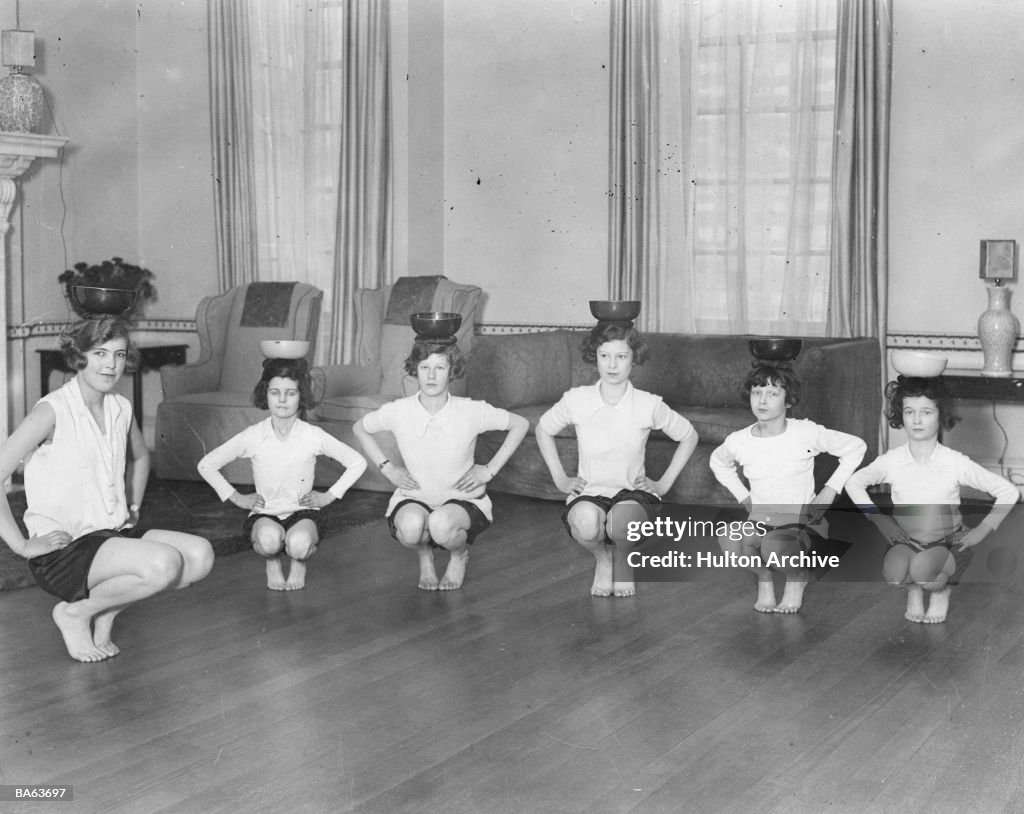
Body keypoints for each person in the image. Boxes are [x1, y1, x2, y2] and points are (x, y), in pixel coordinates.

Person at [0, 317, 214, 663]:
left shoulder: (120, 407)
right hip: (65, 551)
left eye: (118, 354)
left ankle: (107, 611)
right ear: (78, 356)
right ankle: (75, 614)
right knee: (163, 565)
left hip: (111, 535)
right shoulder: (52, 410)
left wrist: (133, 507)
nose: (110, 364)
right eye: (99, 353)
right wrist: (23, 545)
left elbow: (141, 459)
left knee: (200, 557)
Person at [536, 322, 698, 598]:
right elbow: (542, 428)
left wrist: (663, 484)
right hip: (590, 492)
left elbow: (689, 435)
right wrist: (560, 478)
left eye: (621, 356)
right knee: (586, 523)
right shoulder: (577, 399)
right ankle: (604, 559)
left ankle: (623, 559)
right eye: (604, 355)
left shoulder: (648, 403)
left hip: (633, 495)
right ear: (595, 356)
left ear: (634, 360)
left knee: (620, 520)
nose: (612, 365)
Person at [352, 339, 528, 591]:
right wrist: (387, 468)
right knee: (411, 529)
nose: (431, 376)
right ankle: (425, 557)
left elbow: (520, 424)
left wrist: (489, 469)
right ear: (415, 369)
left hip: (461, 500)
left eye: (440, 368)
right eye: (424, 368)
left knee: (440, 525)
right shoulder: (399, 410)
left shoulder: (471, 411)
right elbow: (360, 427)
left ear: (452, 371)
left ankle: (459, 556)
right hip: (415, 496)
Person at [845, 375, 1017, 623]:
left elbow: (1008, 491)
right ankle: (914, 591)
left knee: (925, 573)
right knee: (894, 575)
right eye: (909, 411)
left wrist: (982, 530)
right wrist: (878, 519)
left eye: (925, 412)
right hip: (907, 540)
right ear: (899, 415)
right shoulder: (892, 460)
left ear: (940, 414)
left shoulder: (954, 462)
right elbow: (854, 482)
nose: (916, 420)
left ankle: (941, 592)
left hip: (945, 542)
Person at [198, 357, 367, 590]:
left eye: (291, 393)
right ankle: (272, 561)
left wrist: (329, 495)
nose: (283, 400)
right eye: (275, 392)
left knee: (298, 545)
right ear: (265, 394)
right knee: (268, 542)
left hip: (303, 513)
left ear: (302, 396)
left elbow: (357, 462)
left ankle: (299, 563)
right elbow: (206, 465)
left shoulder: (312, 435)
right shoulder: (253, 435)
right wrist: (237, 497)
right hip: (265, 513)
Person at [709, 363, 866, 613]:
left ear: (788, 400)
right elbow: (718, 462)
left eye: (773, 393)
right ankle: (764, 578)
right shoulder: (739, 441)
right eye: (756, 392)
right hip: (762, 520)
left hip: (801, 524)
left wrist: (830, 490)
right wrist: (744, 497)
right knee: (729, 538)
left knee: (774, 545)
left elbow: (856, 447)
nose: (762, 400)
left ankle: (796, 577)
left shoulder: (805, 433)